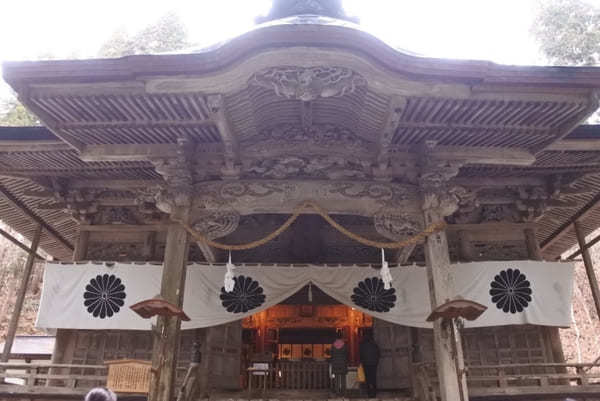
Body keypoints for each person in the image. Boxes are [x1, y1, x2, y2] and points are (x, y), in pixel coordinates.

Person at [359, 330, 380, 398]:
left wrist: (362, 361)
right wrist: (376, 361)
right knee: (373, 378)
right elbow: (378, 354)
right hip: (373, 363)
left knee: (367, 379)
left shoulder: (362, 344)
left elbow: (361, 354)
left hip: (366, 363)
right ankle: (374, 393)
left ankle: (369, 393)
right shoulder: (374, 344)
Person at [330, 331, 348, 395]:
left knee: (336, 378)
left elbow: (331, 355)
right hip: (343, 363)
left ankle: (337, 391)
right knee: (343, 378)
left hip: (335, 364)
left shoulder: (333, 345)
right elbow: (346, 354)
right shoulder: (344, 345)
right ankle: (344, 392)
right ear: (342, 337)